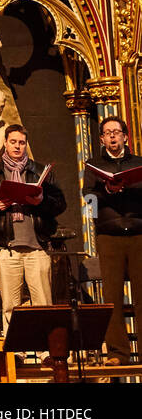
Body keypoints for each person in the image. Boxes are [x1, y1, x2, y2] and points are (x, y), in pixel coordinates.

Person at [0, 124, 66, 332]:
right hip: (9, 250)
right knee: (10, 307)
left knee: (43, 303)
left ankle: (44, 352)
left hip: (37, 248)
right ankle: (16, 354)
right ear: (5, 143)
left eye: (21, 143)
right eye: (13, 142)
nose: (17, 147)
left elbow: (60, 204)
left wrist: (41, 200)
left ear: (26, 145)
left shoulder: (40, 172)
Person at [85, 116, 142, 363]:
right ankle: (119, 352)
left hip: (139, 232)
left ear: (125, 136)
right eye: (107, 133)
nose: (112, 136)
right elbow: (88, 202)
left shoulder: (139, 163)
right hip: (109, 235)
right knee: (112, 297)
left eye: (116, 132)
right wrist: (107, 191)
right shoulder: (93, 165)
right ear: (101, 139)